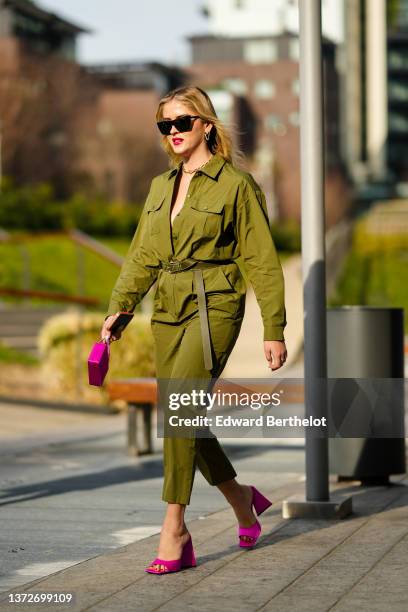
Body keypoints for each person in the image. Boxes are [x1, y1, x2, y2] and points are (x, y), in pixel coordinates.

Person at [101, 85, 288, 575]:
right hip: (167, 307)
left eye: (182, 122)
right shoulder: (161, 186)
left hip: (216, 307)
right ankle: (243, 499)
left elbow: (262, 262)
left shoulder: (236, 186)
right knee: (181, 413)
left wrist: (274, 327)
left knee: (179, 412)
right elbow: (143, 253)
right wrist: (120, 307)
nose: (173, 133)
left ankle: (175, 529)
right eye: (165, 125)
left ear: (206, 124)